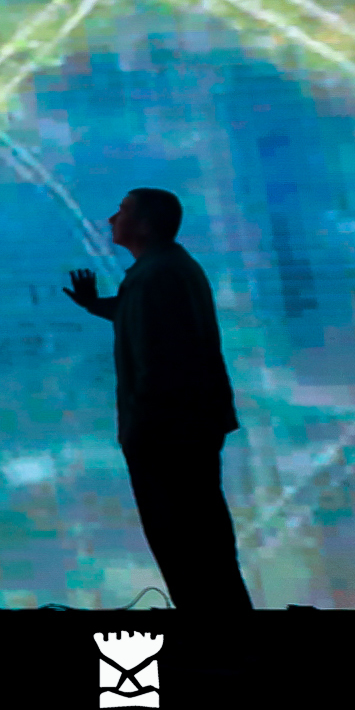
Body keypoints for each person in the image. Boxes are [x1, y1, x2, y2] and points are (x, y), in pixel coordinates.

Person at [61, 188, 253, 613]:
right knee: (202, 543)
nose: (112, 218)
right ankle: (226, 631)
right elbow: (150, 319)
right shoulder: (164, 269)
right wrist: (98, 305)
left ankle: (217, 635)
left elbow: (162, 358)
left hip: (168, 436)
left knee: (186, 545)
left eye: (123, 211)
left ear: (145, 224)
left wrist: (139, 429)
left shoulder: (158, 275)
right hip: (182, 431)